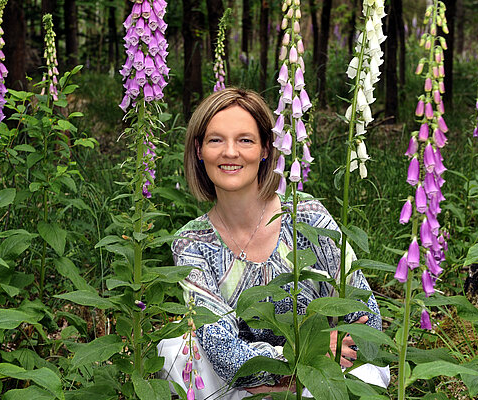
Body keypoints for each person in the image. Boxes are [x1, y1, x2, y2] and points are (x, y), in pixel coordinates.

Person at [158, 88, 389, 399]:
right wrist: (296, 361)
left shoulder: (308, 217)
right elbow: (221, 350)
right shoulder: (191, 241)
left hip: (322, 372)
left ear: (266, 148)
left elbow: (365, 318)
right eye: (216, 140)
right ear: (199, 150)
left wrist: (308, 369)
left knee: (362, 374)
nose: (230, 152)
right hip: (247, 382)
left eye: (245, 140)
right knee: (178, 353)